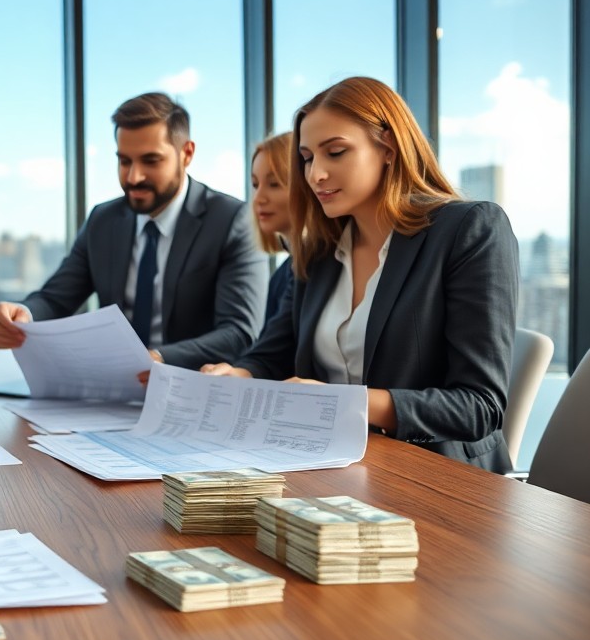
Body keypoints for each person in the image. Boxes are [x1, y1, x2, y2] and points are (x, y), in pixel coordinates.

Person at [203, 76, 519, 473]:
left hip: (438, 477)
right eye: (306, 158)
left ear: (387, 146)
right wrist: (239, 373)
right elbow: (273, 354)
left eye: (335, 152)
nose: (316, 173)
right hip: (332, 466)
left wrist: (342, 405)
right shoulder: (319, 252)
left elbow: (479, 407)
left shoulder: (469, 230)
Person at [0, 92, 268, 369]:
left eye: (150, 161)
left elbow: (239, 333)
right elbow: (55, 299)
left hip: (190, 390)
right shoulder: (103, 221)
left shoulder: (233, 221)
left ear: (186, 154)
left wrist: (157, 359)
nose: (134, 177)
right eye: (124, 161)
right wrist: (22, 314)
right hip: (112, 390)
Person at [250, 132, 296, 323]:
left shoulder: (316, 271)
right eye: (255, 184)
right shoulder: (282, 276)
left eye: (274, 184)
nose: (258, 198)